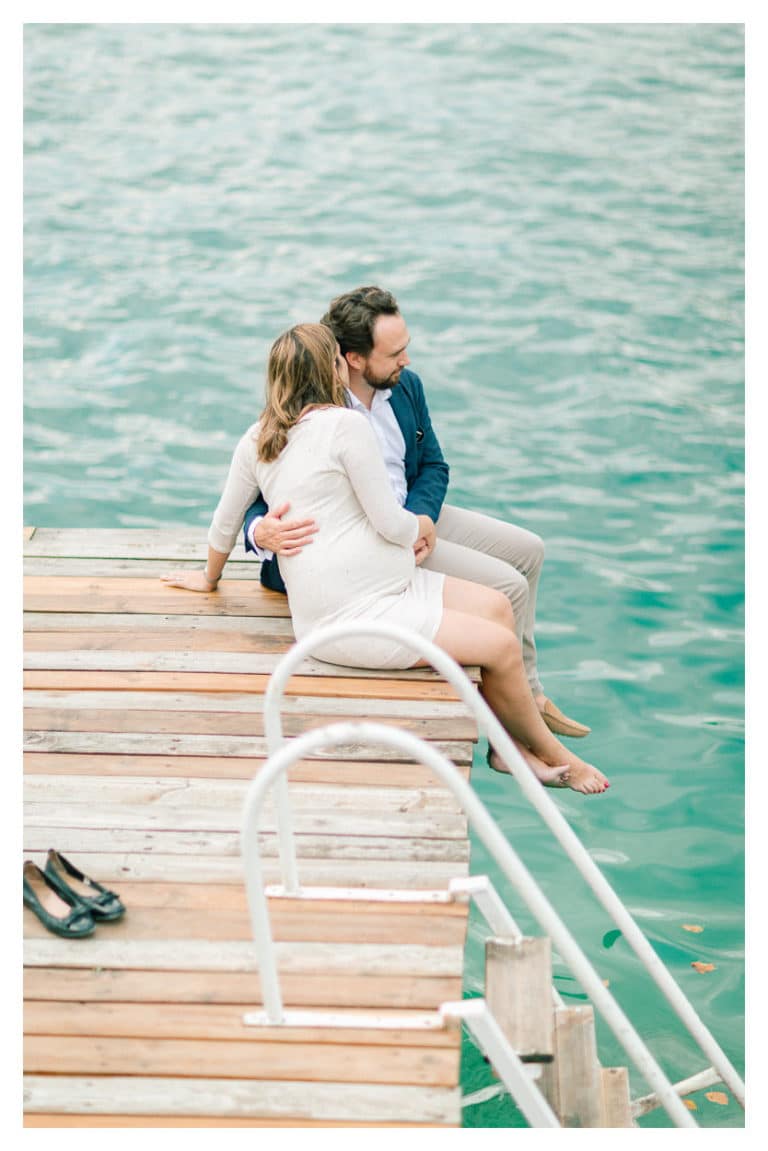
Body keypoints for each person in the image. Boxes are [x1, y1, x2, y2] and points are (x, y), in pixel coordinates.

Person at [161, 323, 609, 795]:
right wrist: (423, 526)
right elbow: (391, 524)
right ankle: (554, 755)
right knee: (499, 645)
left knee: (498, 606)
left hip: (386, 587)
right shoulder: (345, 425)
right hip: (355, 613)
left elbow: (222, 523)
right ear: (332, 369)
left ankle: (507, 747)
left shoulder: (256, 438)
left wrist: (208, 578)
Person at [242, 286, 591, 742]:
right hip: (369, 541)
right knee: (509, 586)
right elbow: (257, 484)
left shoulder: (406, 387)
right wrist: (258, 530)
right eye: (395, 352)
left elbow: (433, 466)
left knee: (530, 550)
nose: (406, 360)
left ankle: (530, 693)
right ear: (353, 358)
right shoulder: (311, 406)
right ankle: (517, 724)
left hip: (412, 517)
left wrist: (421, 518)